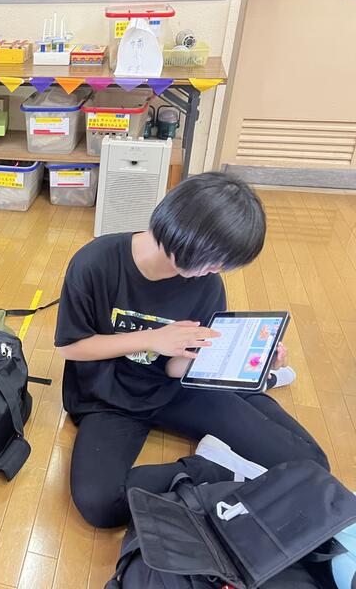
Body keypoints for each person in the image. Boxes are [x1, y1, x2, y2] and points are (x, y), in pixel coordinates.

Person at [54, 172, 327, 529]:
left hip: (177, 390)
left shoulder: (206, 284)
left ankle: (254, 385)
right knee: (100, 504)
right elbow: (71, 348)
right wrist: (152, 339)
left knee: (311, 465)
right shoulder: (96, 263)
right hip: (110, 399)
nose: (217, 270)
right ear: (185, 237)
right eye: (214, 261)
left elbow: (177, 368)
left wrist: (250, 361)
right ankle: (215, 468)